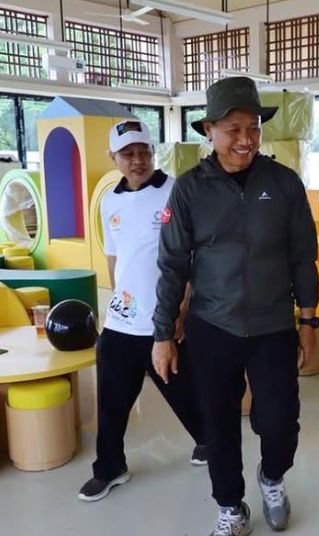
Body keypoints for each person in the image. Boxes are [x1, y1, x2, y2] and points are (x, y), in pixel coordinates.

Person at [151, 77, 319, 536]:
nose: (246, 139)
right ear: (209, 130)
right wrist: (163, 334)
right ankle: (231, 506)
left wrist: (309, 322)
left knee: (280, 419)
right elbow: (172, 265)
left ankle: (273, 477)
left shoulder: (284, 183)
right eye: (233, 129)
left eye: (253, 128)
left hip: (272, 326)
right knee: (218, 424)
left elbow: (303, 257)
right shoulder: (189, 189)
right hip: (212, 326)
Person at [78, 120, 206, 502]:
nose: (137, 160)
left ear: (153, 152)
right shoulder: (110, 201)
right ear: (113, 157)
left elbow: (194, 255)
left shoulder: (176, 191)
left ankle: (209, 440)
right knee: (111, 400)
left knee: (184, 390)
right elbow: (114, 257)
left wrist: (183, 306)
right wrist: (117, 302)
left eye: (143, 151)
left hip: (165, 320)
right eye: (128, 153)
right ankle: (109, 468)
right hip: (122, 321)